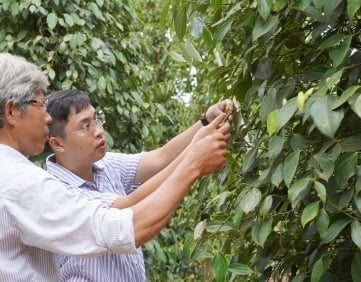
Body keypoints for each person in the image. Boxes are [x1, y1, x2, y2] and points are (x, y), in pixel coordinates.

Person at [0, 52, 232, 281]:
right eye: (39, 104)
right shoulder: (27, 186)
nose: (47, 117)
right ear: (11, 112)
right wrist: (191, 165)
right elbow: (121, 229)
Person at [45, 89, 234, 281]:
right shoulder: (59, 193)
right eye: (85, 126)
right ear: (58, 144)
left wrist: (205, 122)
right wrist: (194, 157)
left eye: (96, 119)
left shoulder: (105, 165)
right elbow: (128, 210)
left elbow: (160, 158)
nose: (99, 130)